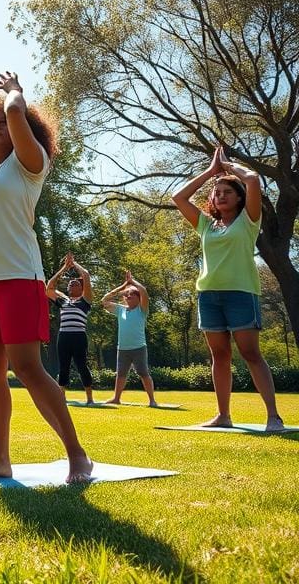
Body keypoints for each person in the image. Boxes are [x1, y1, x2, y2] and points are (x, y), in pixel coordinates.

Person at [0, 72, 91, 483]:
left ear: (25, 132)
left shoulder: (29, 165)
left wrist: (15, 93)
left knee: (28, 368)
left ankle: (77, 455)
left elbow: (14, 110)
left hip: (17, 277)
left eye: (6, 121)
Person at [172, 146, 285, 431]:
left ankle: (273, 416)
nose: (220, 195)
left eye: (227, 192)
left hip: (241, 294)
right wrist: (210, 172)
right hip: (209, 296)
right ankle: (223, 415)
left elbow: (253, 180)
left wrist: (229, 167)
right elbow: (178, 197)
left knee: (250, 353)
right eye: (217, 192)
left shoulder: (249, 221)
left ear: (239, 198)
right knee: (219, 356)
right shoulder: (207, 226)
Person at [100, 272, 158, 406]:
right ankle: (116, 399)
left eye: (133, 294)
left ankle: (152, 400)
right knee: (120, 375)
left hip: (139, 348)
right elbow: (104, 301)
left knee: (144, 373)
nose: (129, 296)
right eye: (127, 295)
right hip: (123, 349)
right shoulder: (120, 310)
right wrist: (123, 286)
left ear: (138, 298)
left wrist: (133, 281)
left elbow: (143, 291)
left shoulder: (142, 310)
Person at [45, 253, 95, 404]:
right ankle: (62, 397)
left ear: (82, 288)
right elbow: (49, 288)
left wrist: (74, 264)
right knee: (63, 367)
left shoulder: (85, 300)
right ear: (67, 289)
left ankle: (90, 399)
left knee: (82, 366)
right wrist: (64, 269)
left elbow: (85, 275)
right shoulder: (63, 301)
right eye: (71, 284)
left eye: (76, 284)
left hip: (79, 336)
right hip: (64, 337)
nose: (73, 284)